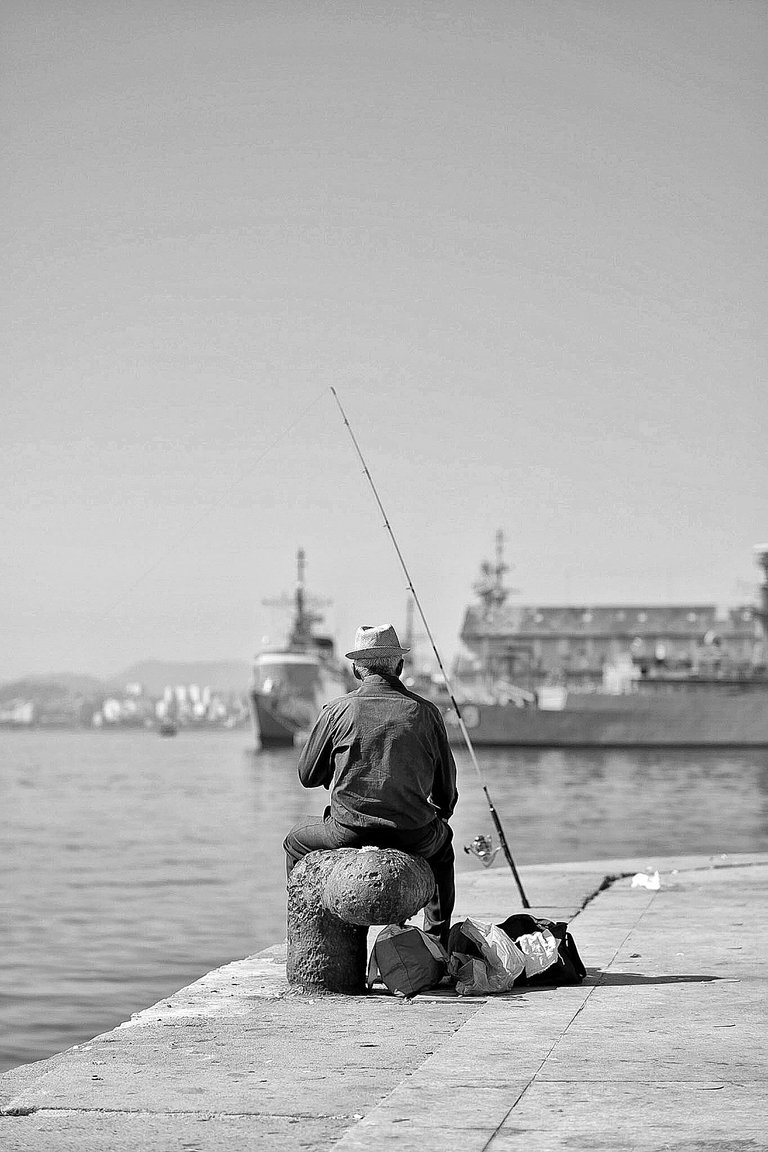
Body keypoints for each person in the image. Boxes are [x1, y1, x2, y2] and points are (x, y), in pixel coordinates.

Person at [283, 624, 458, 948]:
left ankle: (304, 935)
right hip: (413, 833)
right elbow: (447, 791)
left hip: (347, 831)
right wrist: (441, 816)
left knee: (294, 841)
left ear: (355, 669)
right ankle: (437, 942)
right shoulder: (426, 712)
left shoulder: (336, 711)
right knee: (444, 849)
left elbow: (308, 776)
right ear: (400, 667)